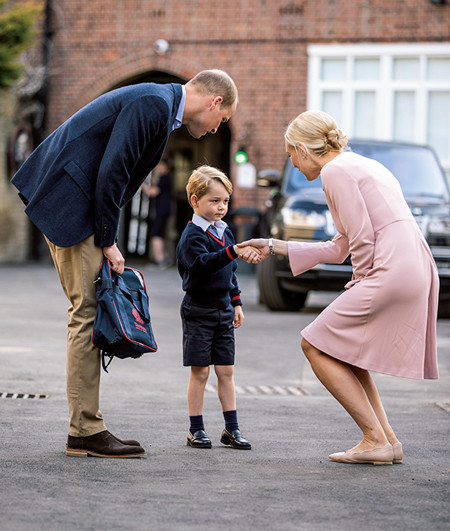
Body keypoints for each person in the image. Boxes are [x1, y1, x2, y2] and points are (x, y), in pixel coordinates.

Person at [11, 69, 238, 459]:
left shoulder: (161, 106)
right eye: (224, 119)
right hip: (73, 204)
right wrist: (108, 239)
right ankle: (84, 430)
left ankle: (85, 428)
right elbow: (112, 171)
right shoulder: (154, 103)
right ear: (214, 102)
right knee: (86, 312)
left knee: (85, 310)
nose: (219, 129)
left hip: (74, 202)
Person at [239, 110, 439, 465]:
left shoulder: (335, 171)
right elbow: (339, 245)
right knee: (347, 351)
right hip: (413, 265)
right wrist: (272, 245)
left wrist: (360, 282)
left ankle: (374, 438)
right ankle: (387, 441)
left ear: (302, 148)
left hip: (389, 269)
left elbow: (361, 239)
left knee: (313, 344)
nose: (294, 166)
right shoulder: (362, 165)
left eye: (290, 156)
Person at [176, 165, 257, 450]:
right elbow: (203, 265)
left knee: (226, 371)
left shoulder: (225, 233)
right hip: (198, 311)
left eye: (225, 201)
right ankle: (195, 429)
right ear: (195, 201)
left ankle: (231, 429)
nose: (221, 207)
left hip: (223, 311)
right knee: (200, 372)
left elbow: (229, 272)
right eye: (214, 200)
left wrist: (236, 303)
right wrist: (231, 252)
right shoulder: (191, 237)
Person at [141, 159, 173, 268]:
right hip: (163, 211)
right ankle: (164, 257)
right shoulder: (164, 178)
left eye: (160, 166)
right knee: (159, 233)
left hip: (162, 211)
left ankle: (160, 260)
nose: (158, 168)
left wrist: (140, 184)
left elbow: (152, 192)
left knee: (155, 233)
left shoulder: (165, 178)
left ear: (165, 167)